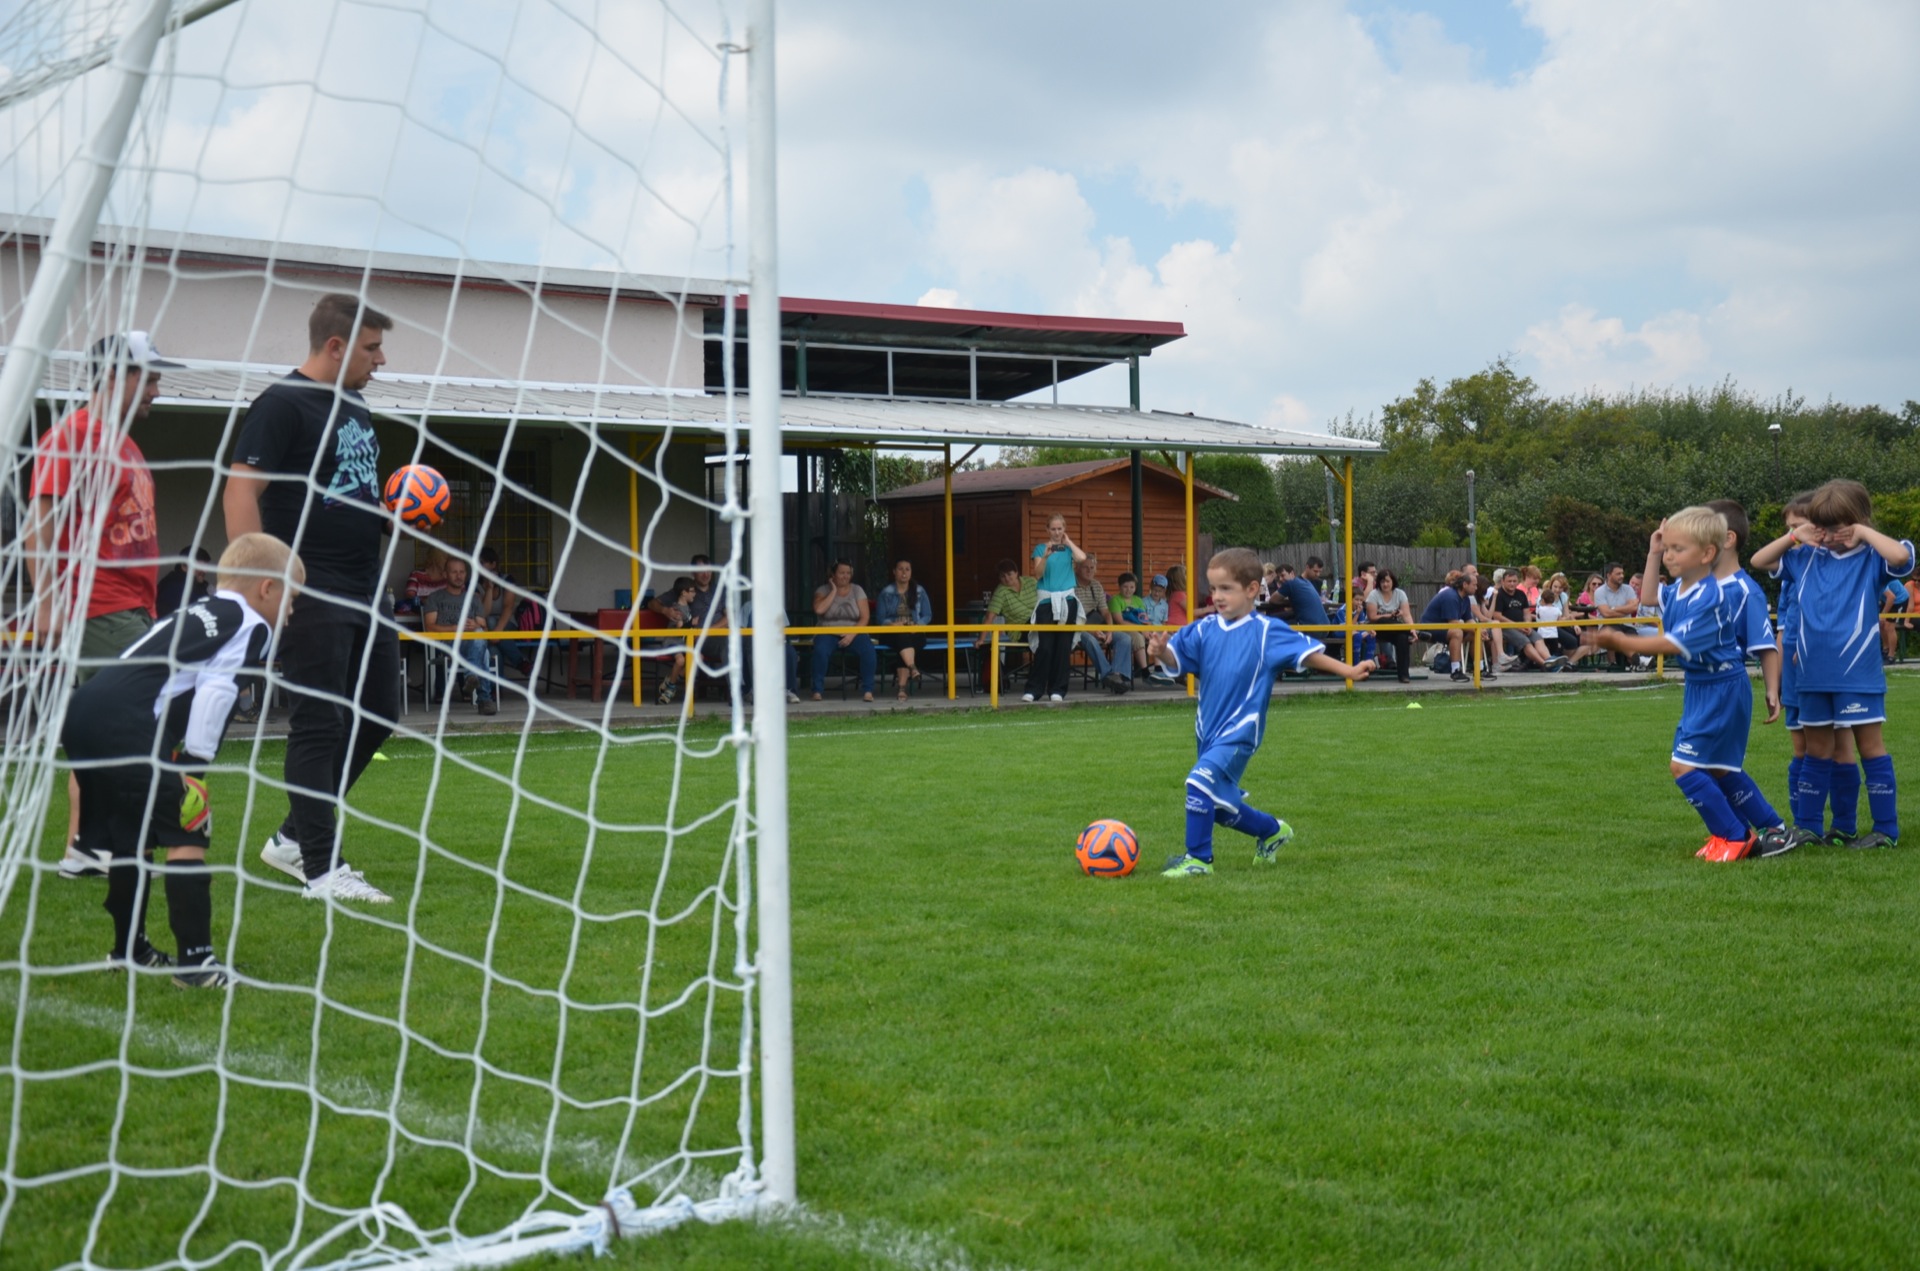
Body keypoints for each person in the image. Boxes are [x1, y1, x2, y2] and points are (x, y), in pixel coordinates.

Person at [59, 533, 301, 987]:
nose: (291, 612)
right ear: (267, 588)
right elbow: (217, 691)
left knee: (134, 837)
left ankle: (129, 950)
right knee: (188, 827)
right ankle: (196, 964)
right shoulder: (252, 623)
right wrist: (194, 768)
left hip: (85, 712)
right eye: (291, 598)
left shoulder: (196, 610)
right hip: (129, 724)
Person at [223, 292, 397, 904]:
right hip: (308, 586)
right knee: (319, 722)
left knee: (379, 711)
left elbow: (346, 490)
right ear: (336, 346)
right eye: (372, 348)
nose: (380, 360)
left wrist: (389, 515)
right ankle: (323, 872)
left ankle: (295, 837)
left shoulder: (355, 406)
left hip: (366, 586)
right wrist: (255, 587)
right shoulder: (282, 403)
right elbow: (240, 491)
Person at [31, 333, 179, 881]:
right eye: (151, 378)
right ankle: (116, 847)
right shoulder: (73, 435)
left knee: (97, 726)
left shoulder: (126, 445)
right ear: (116, 376)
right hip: (97, 605)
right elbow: (40, 521)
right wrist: (47, 602)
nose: (158, 390)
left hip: (131, 607)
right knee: (132, 723)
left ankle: (86, 847)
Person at [1147, 547, 1374, 878]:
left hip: (1241, 731)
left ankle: (1198, 860)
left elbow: (1308, 654)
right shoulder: (1204, 628)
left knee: (1198, 783)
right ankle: (1272, 831)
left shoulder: (1267, 631)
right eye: (1214, 588)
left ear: (1252, 589)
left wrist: (1348, 670)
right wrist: (1162, 652)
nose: (1217, 596)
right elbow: (1177, 659)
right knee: (1218, 808)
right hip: (1207, 732)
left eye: (1226, 589)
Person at [1573, 509, 1768, 861]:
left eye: (1678, 548)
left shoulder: (1710, 597)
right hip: (1703, 686)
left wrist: (1621, 641)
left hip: (1720, 686)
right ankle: (1769, 827)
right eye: (1668, 548)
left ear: (1707, 554)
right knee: (1718, 767)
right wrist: (1653, 552)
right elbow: (1649, 597)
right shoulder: (1680, 588)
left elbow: (1673, 644)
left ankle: (1735, 836)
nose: (1670, 555)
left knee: (1683, 766)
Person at [1751, 479, 1912, 851]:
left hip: (1858, 676)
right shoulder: (1805, 557)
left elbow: (1901, 558)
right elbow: (1759, 560)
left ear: (1856, 521)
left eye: (1837, 527)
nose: (1828, 535)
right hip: (1811, 676)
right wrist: (1796, 536)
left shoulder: (1872, 558)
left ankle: (1885, 830)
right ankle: (1808, 827)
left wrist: (1863, 533)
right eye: (1821, 526)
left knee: (1870, 748)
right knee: (1817, 751)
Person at [1699, 499, 1789, 853]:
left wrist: (1772, 689)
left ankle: (1767, 827)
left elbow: (1765, 646)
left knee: (1704, 764)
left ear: (1728, 538)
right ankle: (1743, 831)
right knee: (1712, 765)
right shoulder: (1700, 585)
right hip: (1703, 687)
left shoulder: (1745, 591)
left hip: (1728, 685)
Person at [422, 556, 499, 715]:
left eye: (462, 572)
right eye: (454, 572)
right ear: (445, 574)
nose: (459, 576)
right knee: (483, 653)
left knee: (480, 640)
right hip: (447, 646)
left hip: (471, 644)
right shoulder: (435, 598)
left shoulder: (474, 598)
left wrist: (476, 625)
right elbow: (429, 627)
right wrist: (455, 628)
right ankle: (484, 699)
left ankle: (471, 677)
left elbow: (483, 628)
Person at [1024, 514, 1084, 703]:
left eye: (1060, 529)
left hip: (1067, 600)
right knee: (1045, 647)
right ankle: (1034, 689)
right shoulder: (1040, 549)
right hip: (1046, 601)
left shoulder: (1068, 549)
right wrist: (1046, 555)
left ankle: (1058, 689)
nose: (1056, 532)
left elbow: (1082, 558)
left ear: (1064, 529)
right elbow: (1038, 574)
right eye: (1053, 529)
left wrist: (1068, 542)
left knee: (1063, 646)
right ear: (1047, 530)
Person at [810, 560, 875, 702]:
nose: (845, 576)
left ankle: (868, 690)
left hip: (854, 632)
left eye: (848, 573)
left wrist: (852, 634)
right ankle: (817, 690)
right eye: (841, 573)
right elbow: (819, 609)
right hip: (827, 632)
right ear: (833, 574)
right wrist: (833, 590)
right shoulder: (823, 590)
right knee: (820, 651)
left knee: (869, 650)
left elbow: (865, 617)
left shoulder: (857, 590)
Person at [1416, 570, 1495, 683]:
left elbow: (1469, 620)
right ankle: (1455, 670)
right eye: (1474, 585)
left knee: (1475, 633)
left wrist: (1480, 630)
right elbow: (1453, 623)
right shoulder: (1451, 596)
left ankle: (1480, 669)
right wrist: (1476, 629)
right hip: (1430, 628)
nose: (1476, 588)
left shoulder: (1465, 598)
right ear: (1465, 585)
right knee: (1457, 632)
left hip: (1445, 628)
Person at [873, 558, 930, 700]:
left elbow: (927, 615)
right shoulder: (886, 592)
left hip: (914, 632)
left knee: (903, 644)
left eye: (907, 569)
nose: (904, 572)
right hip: (891, 633)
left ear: (911, 572)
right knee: (901, 638)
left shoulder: (919, 591)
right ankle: (912, 668)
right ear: (894, 572)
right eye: (900, 569)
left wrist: (918, 625)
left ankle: (903, 688)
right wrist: (892, 625)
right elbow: (880, 619)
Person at [1073, 552, 1131, 693]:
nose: (1089, 571)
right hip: (1077, 628)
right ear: (1077, 568)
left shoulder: (1096, 585)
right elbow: (1070, 616)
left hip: (1098, 625)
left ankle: (1116, 675)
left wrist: (1110, 630)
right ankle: (1108, 675)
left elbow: (1105, 612)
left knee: (1125, 638)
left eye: (1092, 568)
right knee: (1090, 640)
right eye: (1086, 567)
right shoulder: (1070, 585)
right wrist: (1091, 631)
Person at [1492, 569, 1565, 671]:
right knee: (1525, 642)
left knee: (1538, 638)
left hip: (1523, 626)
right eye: (1509, 581)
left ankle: (1550, 660)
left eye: (1514, 581)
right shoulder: (1499, 595)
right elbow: (1497, 616)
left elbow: (1527, 613)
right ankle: (1545, 664)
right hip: (1505, 627)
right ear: (1503, 581)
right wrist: (1517, 626)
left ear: (1518, 581)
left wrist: (1528, 624)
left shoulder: (1521, 594)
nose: (1512, 584)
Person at [647, 576, 698, 705]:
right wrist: (692, 623)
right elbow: (679, 625)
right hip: (673, 641)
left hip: (682, 642)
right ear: (684, 593)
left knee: (696, 659)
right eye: (692, 591)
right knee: (680, 661)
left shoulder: (687, 607)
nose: (694, 594)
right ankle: (671, 688)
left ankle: (671, 679)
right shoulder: (677, 608)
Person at [1364, 568, 1413, 683]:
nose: (1385, 584)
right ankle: (1408, 631)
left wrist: (1413, 629)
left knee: (1403, 638)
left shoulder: (1400, 594)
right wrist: (1390, 615)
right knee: (1383, 620)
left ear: (1393, 582)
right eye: (1382, 581)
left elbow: (1407, 615)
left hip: (1395, 630)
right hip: (1376, 629)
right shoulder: (1374, 594)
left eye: (1387, 581)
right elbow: (1372, 617)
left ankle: (1404, 675)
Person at [155, 547, 214, 618]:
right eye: (200, 566)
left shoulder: (200, 585)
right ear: (184, 566)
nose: (205, 571)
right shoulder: (173, 587)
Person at [1112, 571, 1150, 678]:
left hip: (1139, 629)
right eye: (1125, 587)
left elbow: (1144, 619)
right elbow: (1120, 621)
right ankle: (1145, 670)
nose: (1128, 590)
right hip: (1121, 630)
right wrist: (1140, 629)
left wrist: (1147, 630)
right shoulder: (1115, 600)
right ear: (1119, 587)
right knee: (1138, 637)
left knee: (1158, 637)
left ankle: (1161, 670)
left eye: (1132, 587)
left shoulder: (1138, 600)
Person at [1273, 557, 1328, 629]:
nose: (1280, 579)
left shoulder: (1292, 583)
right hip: (1325, 626)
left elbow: (1273, 600)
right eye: (1315, 571)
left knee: (1274, 623)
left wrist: (1290, 602)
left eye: (1283, 575)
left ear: (1292, 573)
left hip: (1312, 628)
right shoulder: (1308, 583)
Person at [1143, 574, 1176, 683]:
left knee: (1172, 639)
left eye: (1160, 591)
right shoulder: (1144, 602)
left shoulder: (1165, 605)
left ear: (1164, 591)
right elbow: (1143, 620)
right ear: (1151, 588)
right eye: (1155, 590)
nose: (1157, 593)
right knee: (1158, 639)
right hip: (1148, 630)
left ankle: (1172, 669)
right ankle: (1158, 669)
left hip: (1159, 629)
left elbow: (1163, 622)